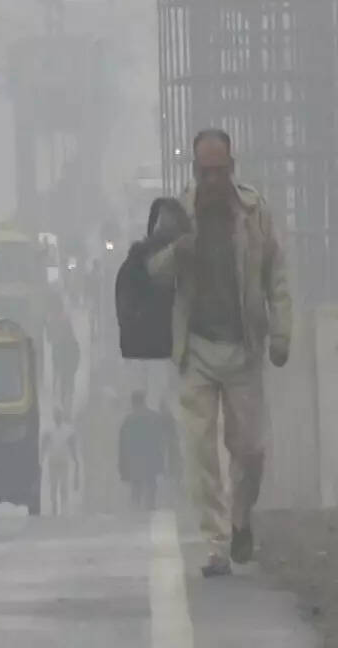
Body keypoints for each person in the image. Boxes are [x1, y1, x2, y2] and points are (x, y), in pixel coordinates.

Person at [146, 128, 292, 577]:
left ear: (232, 169)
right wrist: (178, 252)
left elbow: (276, 275)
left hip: (243, 347)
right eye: (204, 172)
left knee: (250, 450)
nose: (212, 180)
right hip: (197, 350)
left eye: (219, 171)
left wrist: (281, 333)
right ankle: (216, 544)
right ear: (194, 171)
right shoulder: (177, 215)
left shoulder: (254, 212)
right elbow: (152, 271)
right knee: (200, 452)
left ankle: (240, 518)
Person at [118, 391, 165, 512]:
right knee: (151, 484)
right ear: (144, 401)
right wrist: (161, 459)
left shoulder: (129, 420)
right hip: (151, 457)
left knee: (136, 486)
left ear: (133, 402)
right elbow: (161, 440)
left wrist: (123, 465)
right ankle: (150, 509)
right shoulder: (154, 417)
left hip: (135, 459)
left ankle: (136, 512)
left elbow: (123, 444)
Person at [41, 410, 80, 516]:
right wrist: (41, 458)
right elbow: (44, 445)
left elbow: (72, 446)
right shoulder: (49, 430)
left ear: (61, 416)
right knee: (53, 486)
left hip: (63, 462)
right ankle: (54, 506)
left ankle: (64, 508)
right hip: (53, 462)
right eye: (56, 415)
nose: (57, 417)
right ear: (54, 416)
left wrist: (76, 460)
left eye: (59, 415)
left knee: (64, 485)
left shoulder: (68, 430)